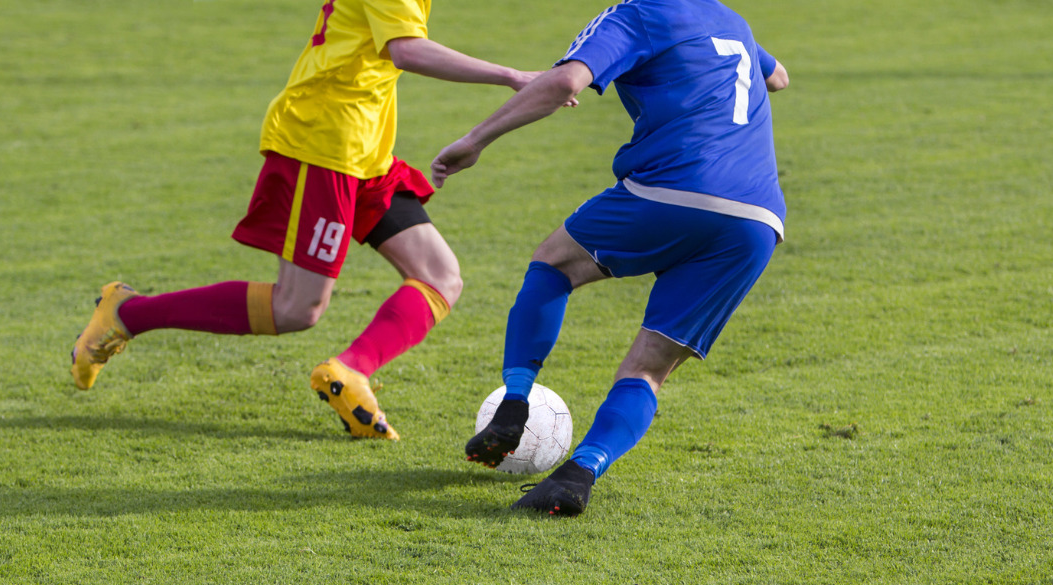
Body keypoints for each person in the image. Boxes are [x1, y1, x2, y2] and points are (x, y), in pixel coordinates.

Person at [70, 0, 543, 441]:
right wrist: (511, 76)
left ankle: (352, 371)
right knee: (297, 308)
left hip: (364, 151)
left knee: (440, 275)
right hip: (323, 145)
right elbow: (406, 50)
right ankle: (127, 312)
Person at [432, 0, 790, 514]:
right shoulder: (729, 19)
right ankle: (579, 474)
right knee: (649, 369)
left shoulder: (635, 13)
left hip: (673, 190)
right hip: (756, 220)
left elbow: (564, 83)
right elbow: (777, 77)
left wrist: (475, 140)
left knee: (554, 263)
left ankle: (514, 404)